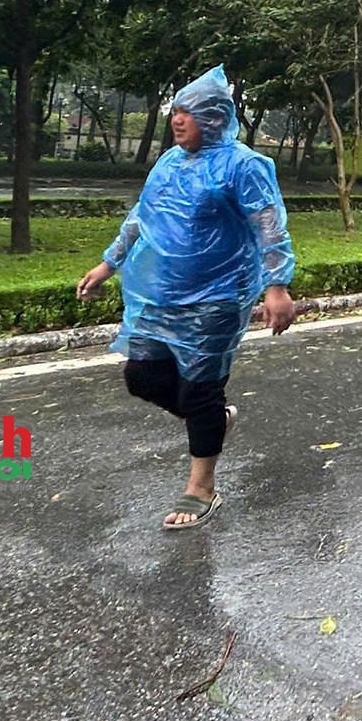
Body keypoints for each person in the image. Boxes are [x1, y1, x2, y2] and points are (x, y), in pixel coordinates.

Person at [77, 67, 296, 529]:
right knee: (140, 377)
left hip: (218, 296)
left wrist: (276, 286)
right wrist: (107, 265)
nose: (178, 120)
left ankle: (202, 489)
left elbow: (269, 227)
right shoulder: (169, 163)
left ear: (214, 119)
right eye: (175, 110)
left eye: (189, 112)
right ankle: (213, 419)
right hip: (160, 295)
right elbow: (140, 219)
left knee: (199, 389)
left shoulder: (244, 166)